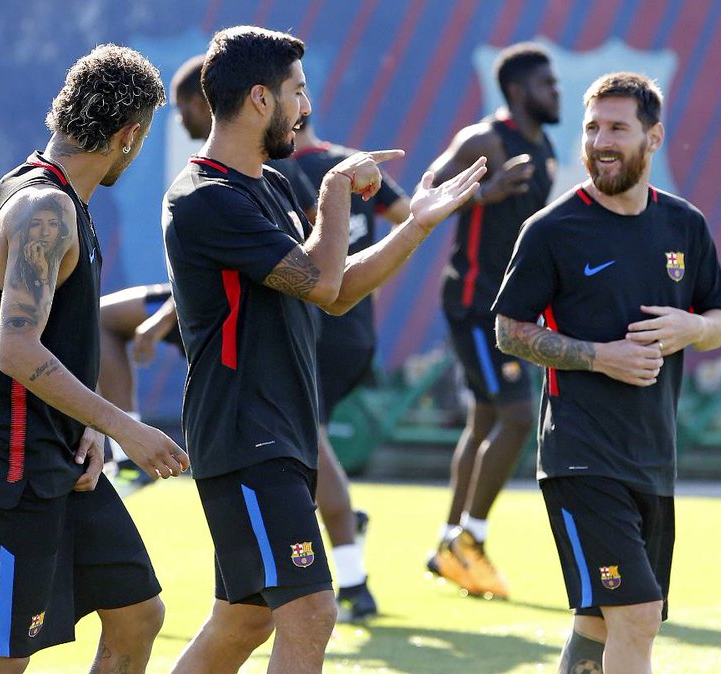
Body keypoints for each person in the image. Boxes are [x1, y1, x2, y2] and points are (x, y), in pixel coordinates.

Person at [162, 26, 484, 673]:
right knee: (311, 612)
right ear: (260, 99)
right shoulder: (206, 198)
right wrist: (336, 189)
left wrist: (416, 223)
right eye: (297, 92)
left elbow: (332, 295)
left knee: (243, 621)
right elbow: (323, 278)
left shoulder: (270, 187)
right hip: (246, 438)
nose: (305, 107)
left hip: (278, 433)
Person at [0, 44, 189, 674]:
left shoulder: (48, 196)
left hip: (62, 458)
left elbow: (55, 341)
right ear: (130, 135)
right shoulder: (44, 207)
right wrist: (124, 426)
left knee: (138, 613)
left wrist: (86, 425)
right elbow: (16, 349)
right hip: (14, 466)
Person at [494, 72, 721, 673]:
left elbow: (719, 317)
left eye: (617, 128)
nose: (601, 140)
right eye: (592, 127)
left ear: (653, 138)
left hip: (653, 459)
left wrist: (692, 329)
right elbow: (509, 330)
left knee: (599, 624)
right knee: (638, 616)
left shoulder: (685, 225)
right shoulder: (551, 230)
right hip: (580, 458)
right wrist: (600, 356)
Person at [98, 54, 317, 488]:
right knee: (102, 317)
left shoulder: (266, 168)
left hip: (270, 316)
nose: (180, 122)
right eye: (297, 92)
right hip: (235, 308)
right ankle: (126, 453)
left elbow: (315, 266)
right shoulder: (204, 185)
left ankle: (344, 526)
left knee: (302, 437)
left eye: (183, 109)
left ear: (208, 101)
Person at [425, 42, 560, 600]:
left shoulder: (545, 145)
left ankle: (446, 544)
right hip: (476, 305)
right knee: (517, 416)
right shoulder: (485, 139)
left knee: (484, 422)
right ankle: (470, 541)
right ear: (517, 90)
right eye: (546, 84)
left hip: (510, 306)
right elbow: (425, 195)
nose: (556, 92)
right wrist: (485, 191)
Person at [292, 116, 412, 620]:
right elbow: (408, 214)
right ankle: (344, 548)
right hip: (354, 324)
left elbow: (299, 254)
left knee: (309, 445)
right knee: (307, 445)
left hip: (321, 323)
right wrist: (371, 277)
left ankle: (354, 581)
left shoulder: (288, 170)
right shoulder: (347, 161)